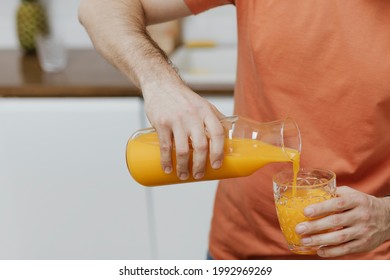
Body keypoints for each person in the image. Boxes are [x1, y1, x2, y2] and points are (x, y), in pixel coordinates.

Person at [78, 0, 390, 259]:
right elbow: (99, 8)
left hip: (369, 255)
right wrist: (159, 82)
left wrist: (385, 217)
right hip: (240, 252)